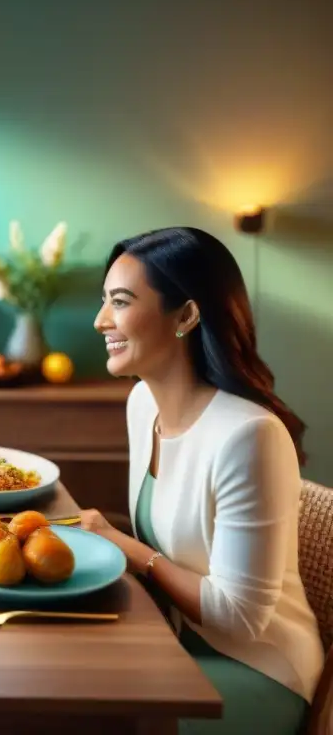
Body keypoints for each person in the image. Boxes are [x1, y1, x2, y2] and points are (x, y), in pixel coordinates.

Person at [84, 226, 324, 734]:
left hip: (256, 669)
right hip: (173, 639)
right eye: (104, 301)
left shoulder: (249, 436)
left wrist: (123, 546)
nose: (101, 320)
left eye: (121, 302)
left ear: (187, 315)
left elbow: (240, 617)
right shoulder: (141, 403)